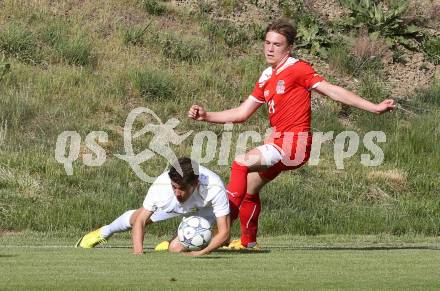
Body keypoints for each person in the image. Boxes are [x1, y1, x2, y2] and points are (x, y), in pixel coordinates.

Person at [188, 19, 396, 249]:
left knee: (241, 162)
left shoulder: (298, 69)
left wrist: (374, 107)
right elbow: (241, 113)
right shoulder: (267, 76)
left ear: (289, 48)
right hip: (279, 143)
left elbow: (333, 91)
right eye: (267, 42)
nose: (270, 48)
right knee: (249, 187)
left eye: (277, 44)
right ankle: (248, 243)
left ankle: (221, 232)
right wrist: (206, 116)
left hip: (292, 145)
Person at [75, 157, 230, 256]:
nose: (177, 192)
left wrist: (201, 252)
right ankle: (104, 232)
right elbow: (140, 221)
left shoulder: (215, 187)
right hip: (175, 206)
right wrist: (138, 251)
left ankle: (170, 243)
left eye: (182, 188)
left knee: (175, 248)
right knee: (136, 218)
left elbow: (224, 233)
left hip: (204, 208)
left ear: (195, 184)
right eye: (174, 186)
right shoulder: (162, 186)